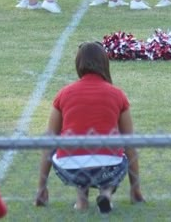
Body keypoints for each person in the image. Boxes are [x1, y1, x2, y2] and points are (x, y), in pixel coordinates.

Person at [35, 42, 144, 213]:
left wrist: (41, 188)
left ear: (78, 64)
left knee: (68, 146)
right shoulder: (118, 94)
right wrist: (135, 189)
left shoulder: (63, 94)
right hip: (109, 167)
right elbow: (130, 144)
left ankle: (82, 201)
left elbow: (49, 141)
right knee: (120, 151)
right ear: (105, 63)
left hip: (71, 168)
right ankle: (106, 193)